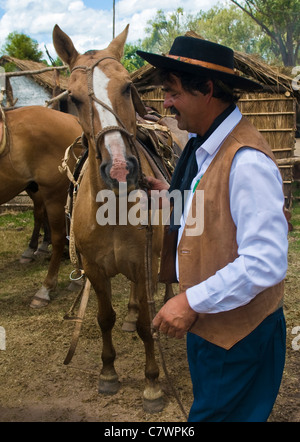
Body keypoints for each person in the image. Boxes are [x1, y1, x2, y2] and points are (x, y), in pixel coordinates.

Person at [136, 37, 288, 422]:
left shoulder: (247, 162)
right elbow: (213, 209)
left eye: (172, 93)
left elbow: (265, 261)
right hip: (214, 323)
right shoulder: (204, 150)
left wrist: (189, 302)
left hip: (238, 336)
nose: (166, 104)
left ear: (206, 89)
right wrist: (171, 200)